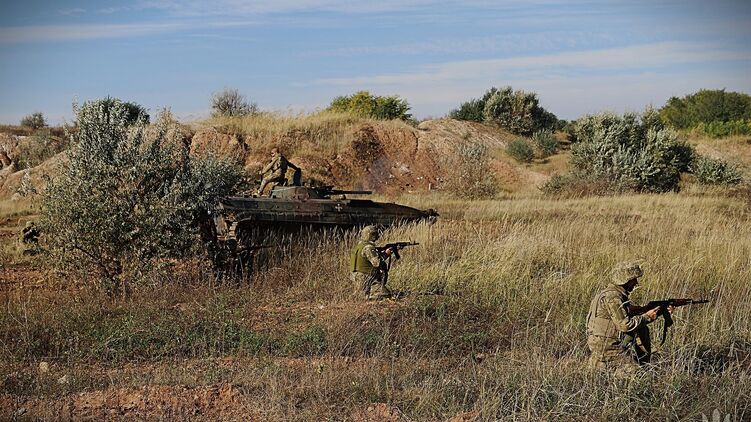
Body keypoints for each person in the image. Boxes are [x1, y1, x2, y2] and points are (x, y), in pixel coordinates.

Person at [586, 261, 673, 372]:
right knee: (639, 378)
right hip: (609, 348)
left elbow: (625, 313)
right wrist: (647, 316)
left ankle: (602, 364)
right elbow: (625, 325)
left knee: (642, 329)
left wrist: (646, 309)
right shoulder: (613, 298)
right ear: (625, 280)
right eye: (633, 279)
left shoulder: (609, 293)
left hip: (602, 344)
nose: (636, 282)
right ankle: (607, 364)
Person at [349, 225, 392, 300]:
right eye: (375, 234)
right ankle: (369, 297)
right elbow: (377, 263)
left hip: (356, 276)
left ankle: (361, 295)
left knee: (361, 294)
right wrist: (386, 254)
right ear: (370, 235)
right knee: (385, 294)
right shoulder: (368, 247)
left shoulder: (359, 246)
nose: (377, 236)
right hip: (366, 277)